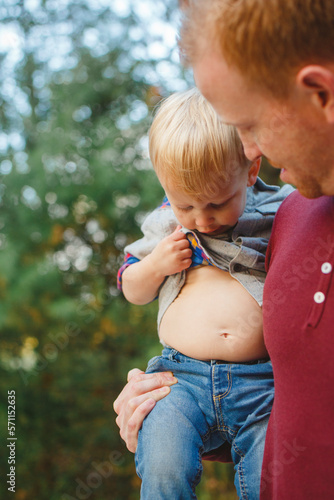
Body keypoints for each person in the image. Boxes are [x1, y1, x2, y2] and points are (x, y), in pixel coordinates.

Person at [114, 1, 334, 499]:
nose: (249, 151)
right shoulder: (299, 218)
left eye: (249, 123)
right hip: (188, 383)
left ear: (319, 92)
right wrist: (165, 425)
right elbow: (300, 407)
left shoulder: (278, 212)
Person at [117, 88, 293, 499]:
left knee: (270, 477)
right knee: (163, 461)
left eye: (217, 202)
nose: (202, 218)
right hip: (180, 379)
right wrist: (158, 265)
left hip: (263, 384)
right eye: (187, 205)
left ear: (251, 170)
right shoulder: (165, 224)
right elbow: (131, 288)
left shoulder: (280, 210)